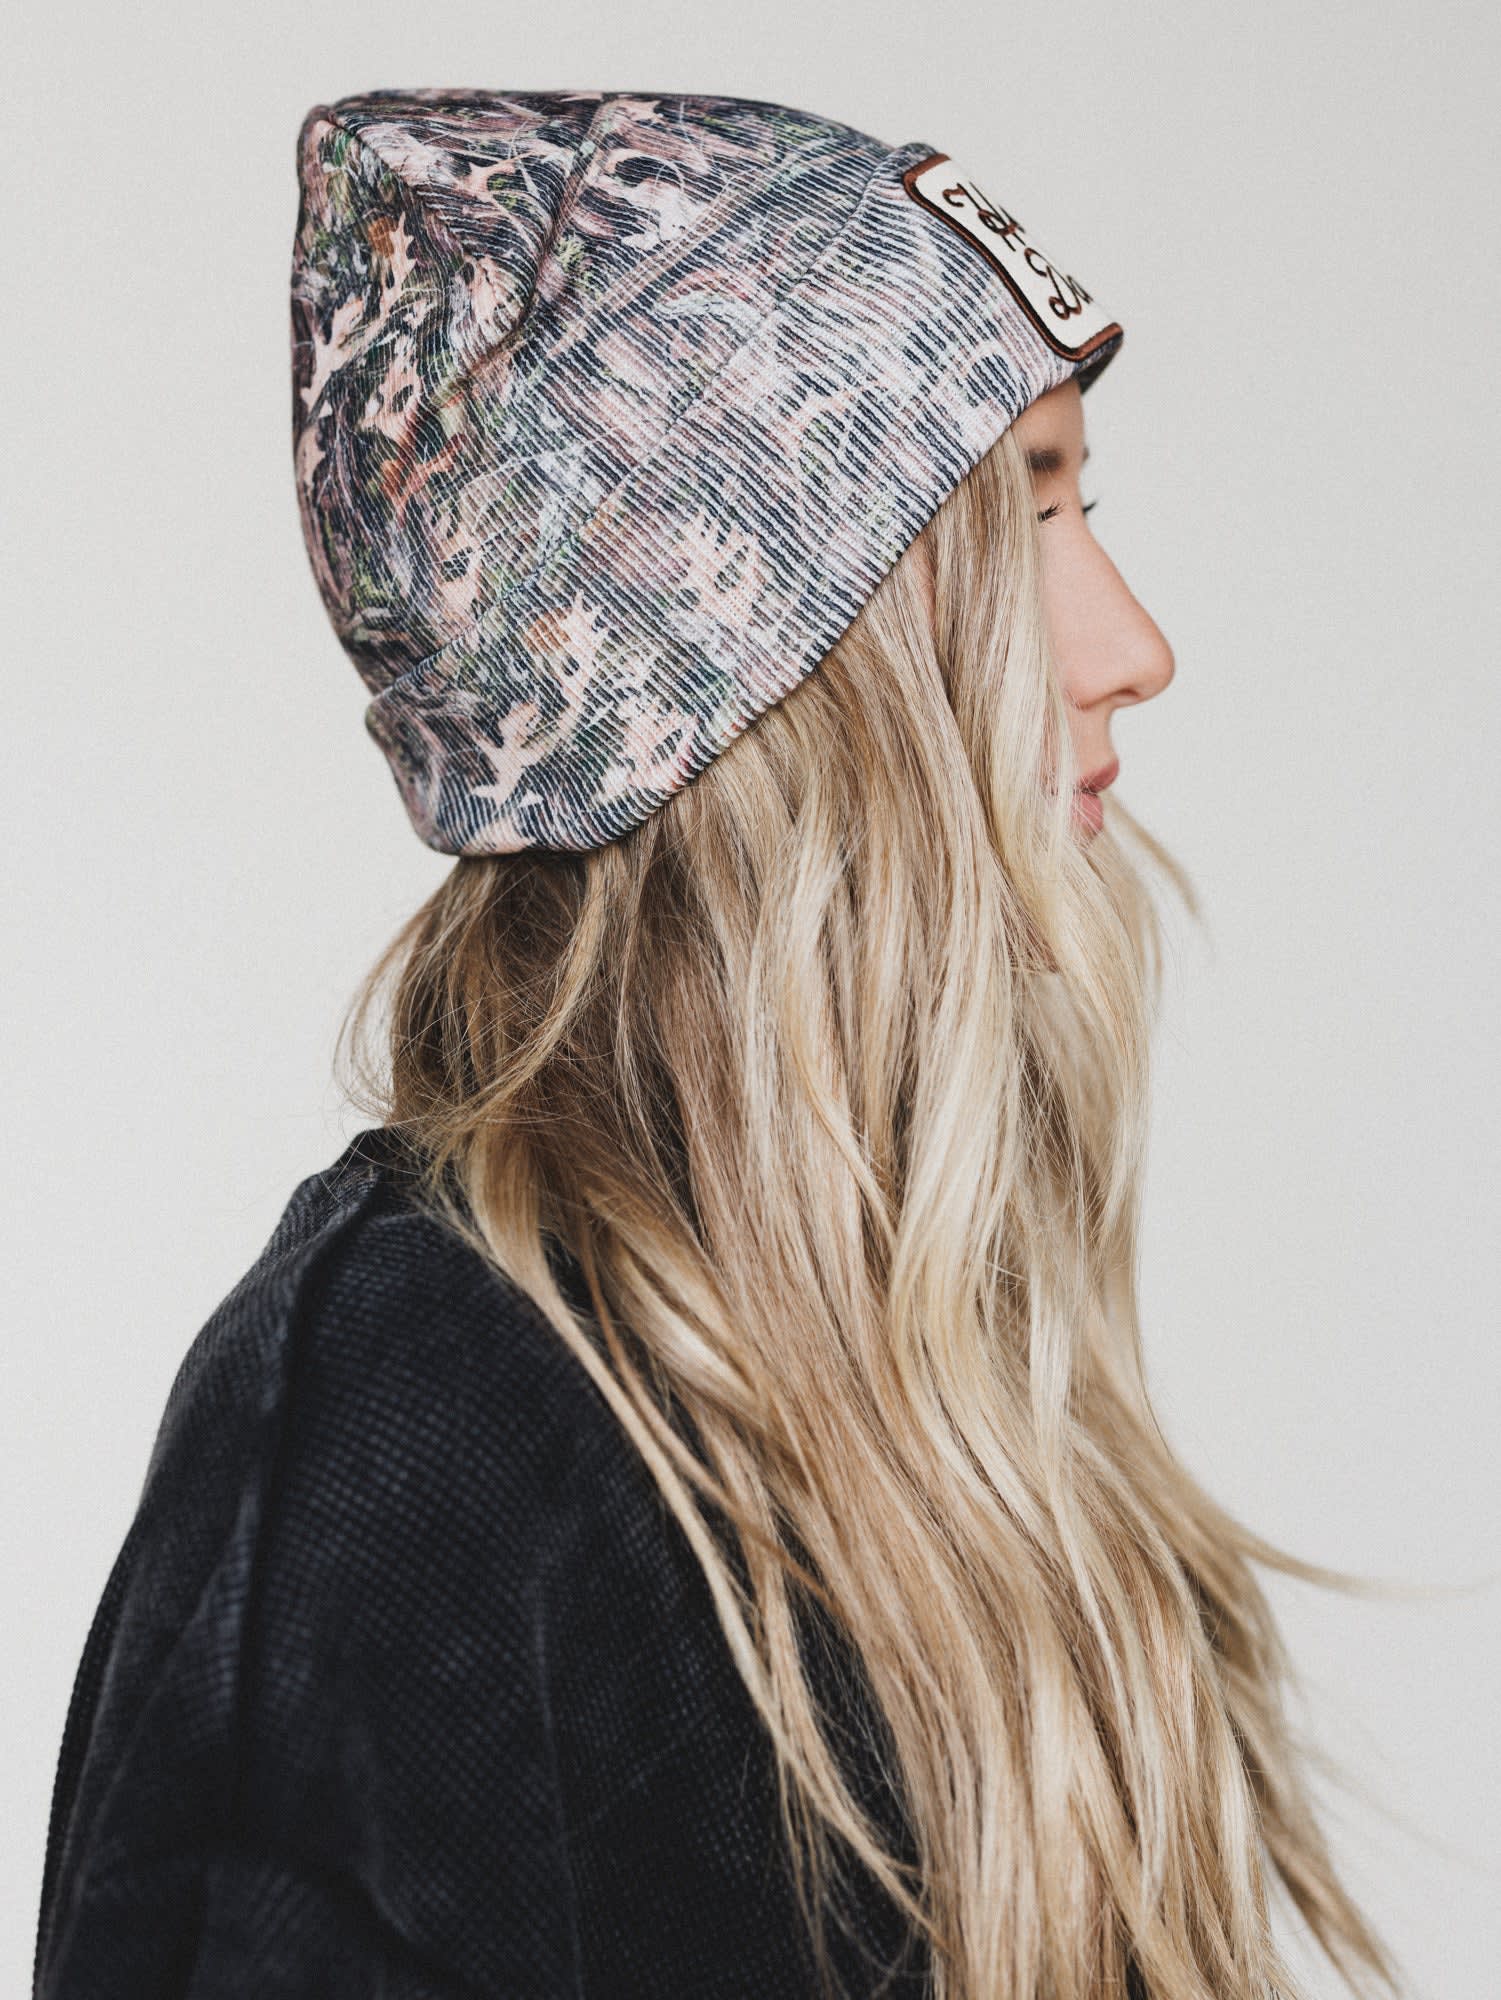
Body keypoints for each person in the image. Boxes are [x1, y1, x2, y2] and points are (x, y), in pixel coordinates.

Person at [32, 88, 1401, 2000]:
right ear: (749, 646)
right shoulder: (421, 1422)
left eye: (1085, 507)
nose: (1130, 645)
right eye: (1025, 514)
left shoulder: (874, 1377)